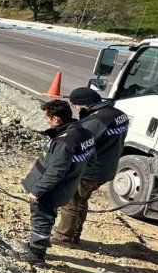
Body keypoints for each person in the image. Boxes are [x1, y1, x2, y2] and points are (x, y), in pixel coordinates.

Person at [20, 100, 95, 264]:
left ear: (56, 119)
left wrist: (37, 190)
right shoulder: (85, 134)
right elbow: (91, 159)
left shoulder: (64, 142)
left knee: (42, 219)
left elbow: (56, 171)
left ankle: (36, 254)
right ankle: (34, 246)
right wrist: (74, 174)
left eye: (47, 117)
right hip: (65, 186)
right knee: (43, 217)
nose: (45, 120)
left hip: (51, 189)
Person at [54, 87, 129, 245]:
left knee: (69, 201)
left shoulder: (96, 120)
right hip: (107, 167)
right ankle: (75, 234)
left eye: (75, 105)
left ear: (83, 104)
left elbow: (79, 141)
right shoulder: (118, 114)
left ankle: (64, 237)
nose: (75, 108)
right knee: (81, 201)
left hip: (90, 170)